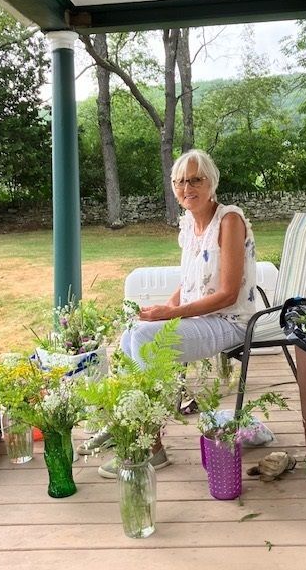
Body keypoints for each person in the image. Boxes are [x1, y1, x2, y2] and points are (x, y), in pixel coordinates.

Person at [95, 149, 257, 478]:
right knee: (131, 331)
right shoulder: (189, 226)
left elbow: (227, 294)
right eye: (179, 181)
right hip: (199, 318)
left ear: (212, 182)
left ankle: (149, 446)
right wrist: (164, 310)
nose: (187, 187)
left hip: (232, 322)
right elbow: (187, 284)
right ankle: (129, 423)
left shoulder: (229, 221)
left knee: (142, 338)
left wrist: (169, 315)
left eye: (196, 179)